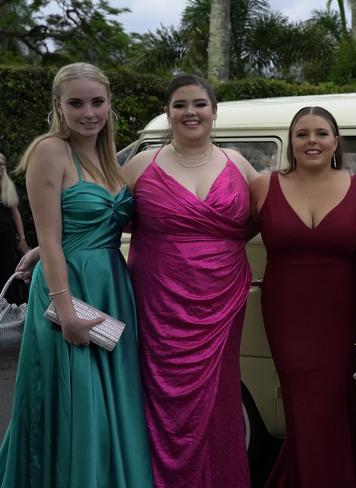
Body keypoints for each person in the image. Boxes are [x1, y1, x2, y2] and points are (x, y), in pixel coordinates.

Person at [0, 63, 153, 487]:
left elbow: (90, 225)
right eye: (76, 103)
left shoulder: (108, 157)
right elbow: (50, 239)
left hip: (112, 285)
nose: (89, 112)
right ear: (58, 106)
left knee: (111, 399)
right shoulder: (49, 151)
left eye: (97, 102)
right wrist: (65, 310)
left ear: (109, 104)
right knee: (79, 400)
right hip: (68, 291)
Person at [121, 74, 258, 488]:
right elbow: (100, 222)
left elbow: (260, 220)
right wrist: (46, 249)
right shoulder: (141, 166)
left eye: (199, 104)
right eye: (180, 105)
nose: (190, 112)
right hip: (158, 302)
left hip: (223, 299)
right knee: (162, 397)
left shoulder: (238, 164)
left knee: (218, 402)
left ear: (214, 111)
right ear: (168, 113)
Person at [250, 106, 356, 487]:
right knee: (302, 404)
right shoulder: (263, 185)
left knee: (334, 405)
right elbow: (224, 238)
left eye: (321, 133)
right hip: (287, 313)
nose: (312, 141)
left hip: (342, 315)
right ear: (291, 141)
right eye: (302, 134)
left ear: (336, 141)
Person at [0, 152, 29, 303]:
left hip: (7, 236)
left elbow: (16, 215)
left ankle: (11, 304)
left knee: (8, 269)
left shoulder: (7, 186)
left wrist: (22, 238)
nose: (1, 167)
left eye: (3, 164)